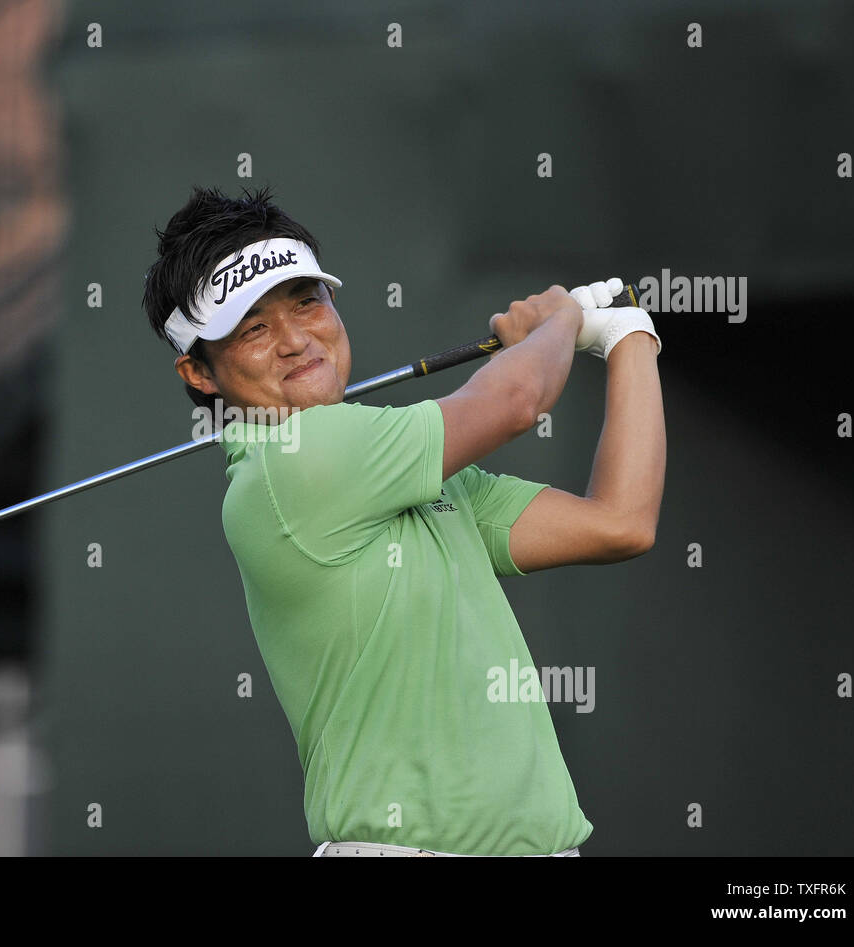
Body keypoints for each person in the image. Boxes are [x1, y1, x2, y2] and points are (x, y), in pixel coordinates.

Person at [141, 185, 665, 856]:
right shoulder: (291, 462)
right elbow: (514, 399)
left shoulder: (419, 478)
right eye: (253, 328)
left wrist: (630, 337)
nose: (297, 339)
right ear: (201, 372)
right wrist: (559, 321)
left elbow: (621, 522)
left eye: (307, 301)